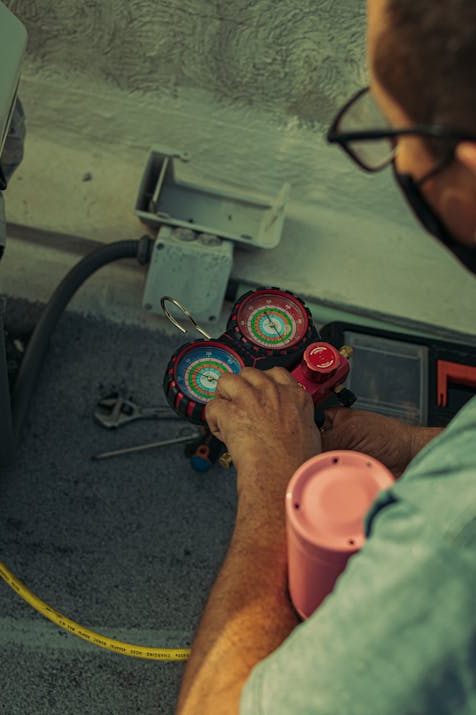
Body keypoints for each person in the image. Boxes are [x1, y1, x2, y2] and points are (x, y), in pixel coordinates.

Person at [176, 1, 476, 712]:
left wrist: (273, 483)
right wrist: (415, 446)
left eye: (390, 129)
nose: (398, 161)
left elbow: (216, 705)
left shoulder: (448, 539)